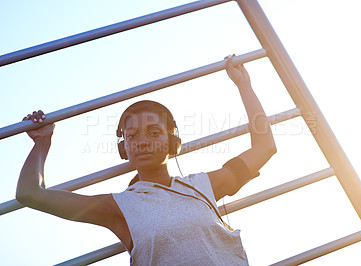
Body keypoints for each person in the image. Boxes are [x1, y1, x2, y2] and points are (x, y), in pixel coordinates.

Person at [16, 55, 277, 265]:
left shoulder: (204, 185)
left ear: (173, 142)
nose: (142, 141)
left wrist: (245, 86)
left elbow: (264, 147)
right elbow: (30, 194)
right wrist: (42, 142)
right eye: (132, 135)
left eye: (153, 132)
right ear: (124, 148)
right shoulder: (119, 207)